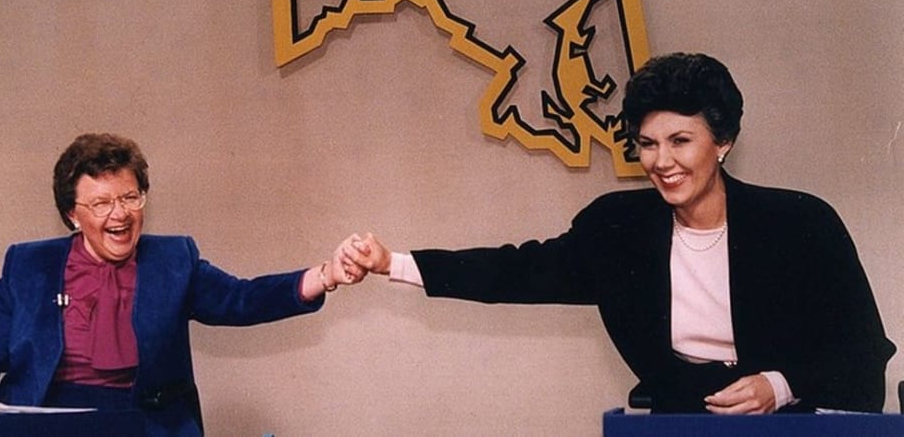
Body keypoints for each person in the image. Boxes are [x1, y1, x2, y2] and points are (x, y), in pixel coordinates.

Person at [343, 52, 895, 414]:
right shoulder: (617, 227)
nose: (662, 161)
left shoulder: (802, 222)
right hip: (676, 425)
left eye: (681, 141)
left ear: (722, 142)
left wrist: (778, 385)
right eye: (647, 144)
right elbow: (517, 270)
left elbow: (864, 348)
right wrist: (394, 262)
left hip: (795, 424)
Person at [0, 133, 363, 436]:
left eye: (130, 197)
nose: (120, 214)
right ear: (72, 215)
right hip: (47, 423)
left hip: (147, 425)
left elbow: (241, 299)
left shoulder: (173, 260)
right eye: (101, 203)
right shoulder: (29, 266)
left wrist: (325, 275)